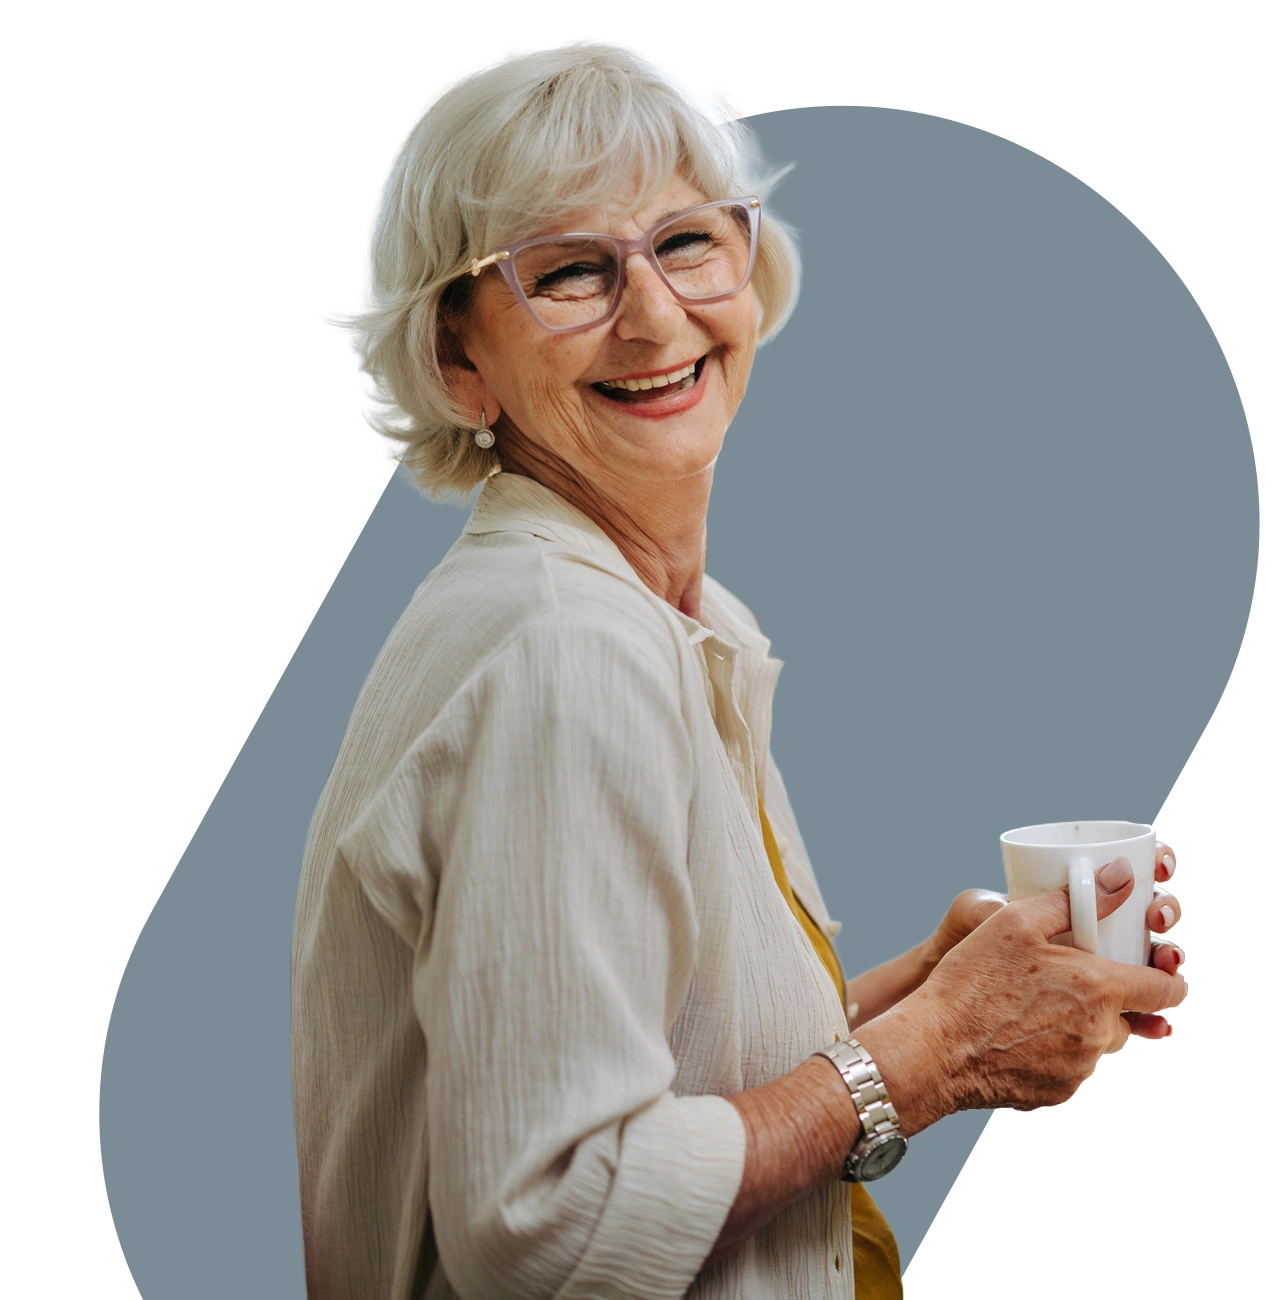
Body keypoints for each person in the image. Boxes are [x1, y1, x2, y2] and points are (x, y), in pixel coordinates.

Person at [293, 38, 1187, 1300]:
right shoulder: (565, 655)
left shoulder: (657, 612)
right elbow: (553, 1227)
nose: (654, 314)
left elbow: (669, 1085)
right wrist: (929, 1057)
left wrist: (938, 1001)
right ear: (458, 360)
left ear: (749, 264)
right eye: (568, 272)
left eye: (687, 242)